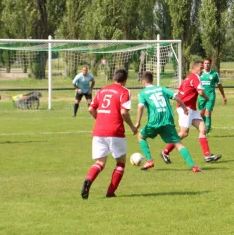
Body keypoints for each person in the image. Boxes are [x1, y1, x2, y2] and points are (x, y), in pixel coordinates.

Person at [81, 69, 138, 199]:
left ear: (113, 78)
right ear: (125, 80)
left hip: (99, 131)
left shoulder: (102, 90)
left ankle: (88, 180)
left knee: (100, 163)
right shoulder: (124, 91)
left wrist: (99, 119)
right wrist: (132, 127)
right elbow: (124, 112)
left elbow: (91, 108)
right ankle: (110, 192)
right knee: (121, 162)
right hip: (115, 130)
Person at [134, 71, 201, 172]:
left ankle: (149, 161)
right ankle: (193, 167)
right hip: (167, 120)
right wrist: (184, 107)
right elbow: (176, 96)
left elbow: (140, 107)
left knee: (141, 136)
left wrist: (138, 122)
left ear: (143, 81)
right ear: (152, 80)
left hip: (154, 122)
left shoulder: (143, 93)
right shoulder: (161, 88)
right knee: (178, 144)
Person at [160, 61, 221, 163]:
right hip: (186, 108)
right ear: (195, 68)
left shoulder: (186, 79)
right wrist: (207, 98)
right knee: (183, 133)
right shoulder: (195, 77)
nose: (202, 70)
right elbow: (200, 92)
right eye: (201, 68)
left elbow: (178, 92)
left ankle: (207, 155)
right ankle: (165, 151)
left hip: (191, 109)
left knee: (203, 128)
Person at [198, 57, 227, 133]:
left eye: (208, 63)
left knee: (208, 112)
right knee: (201, 114)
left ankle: (207, 130)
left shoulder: (214, 74)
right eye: (205, 63)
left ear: (210, 64)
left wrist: (223, 96)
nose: (206, 65)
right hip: (201, 97)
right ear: (203, 64)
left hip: (210, 97)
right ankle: (204, 126)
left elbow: (219, 85)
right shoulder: (200, 74)